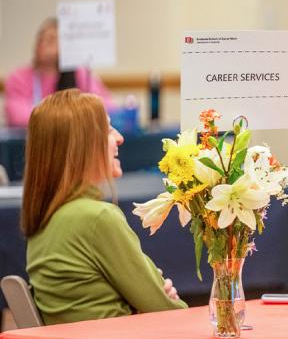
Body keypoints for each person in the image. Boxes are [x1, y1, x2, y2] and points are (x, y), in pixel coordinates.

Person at [22, 89, 186, 325]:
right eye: (108, 130)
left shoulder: (45, 218)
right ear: (82, 146)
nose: (119, 137)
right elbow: (168, 311)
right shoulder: (97, 218)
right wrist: (151, 301)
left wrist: (140, 303)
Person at [4, 17, 113, 128]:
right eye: (40, 38)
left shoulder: (80, 73)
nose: (43, 44)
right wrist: (73, 117)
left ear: (65, 46)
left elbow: (106, 108)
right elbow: (17, 116)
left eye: (51, 40)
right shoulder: (18, 78)